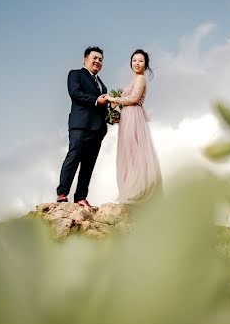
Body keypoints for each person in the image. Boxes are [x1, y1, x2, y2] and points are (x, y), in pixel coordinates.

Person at [56, 46, 111, 207]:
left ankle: (81, 196)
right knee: (73, 156)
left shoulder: (103, 86)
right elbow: (75, 93)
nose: (98, 61)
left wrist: (112, 118)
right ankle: (62, 192)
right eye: (95, 58)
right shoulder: (75, 74)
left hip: (98, 129)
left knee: (89, 164)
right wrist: (96, 100)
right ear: (85, 59)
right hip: (80, 125)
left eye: (100, 60)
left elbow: (103, 107)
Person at [108, 49, 163, 203]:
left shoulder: (141, 79)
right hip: (127, 117)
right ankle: (131, 188)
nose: (137, 63)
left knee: (135, 152)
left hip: (133, 116)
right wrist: (116, 109)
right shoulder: (134, 80)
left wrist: (114, 99)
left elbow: (133, 99)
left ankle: (138, 190)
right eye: (134, 60)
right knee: (129, 152)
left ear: (145, 65)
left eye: (140, 60)